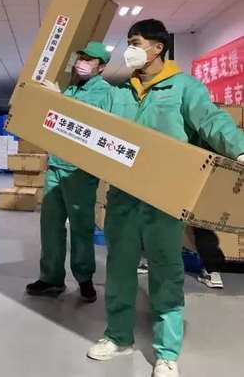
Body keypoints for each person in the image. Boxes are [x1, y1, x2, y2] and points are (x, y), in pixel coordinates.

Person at [86, 19, 244, 377]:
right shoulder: (120, 92)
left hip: (165, 198)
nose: (130, 49)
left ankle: (167, 353)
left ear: (157, 47)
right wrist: (57, 94)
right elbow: (90, 115)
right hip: (124, 196)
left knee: (165, 272)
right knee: (120, 267)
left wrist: (238, 148)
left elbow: (211, 121)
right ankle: (118, 336)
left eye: (135, 42)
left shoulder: (184, 88)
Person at [26, 42, 113, 303]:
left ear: (101, 67)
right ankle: (51, 278)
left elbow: (87, 122)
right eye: (81, 57)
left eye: (90, 60)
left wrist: (59, 100)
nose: (82, 63)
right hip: (55, 166)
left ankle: (84, 278)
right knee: (50, 226)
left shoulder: (105, 92)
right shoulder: (72, 88)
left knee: (81, 227)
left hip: (80, 172)